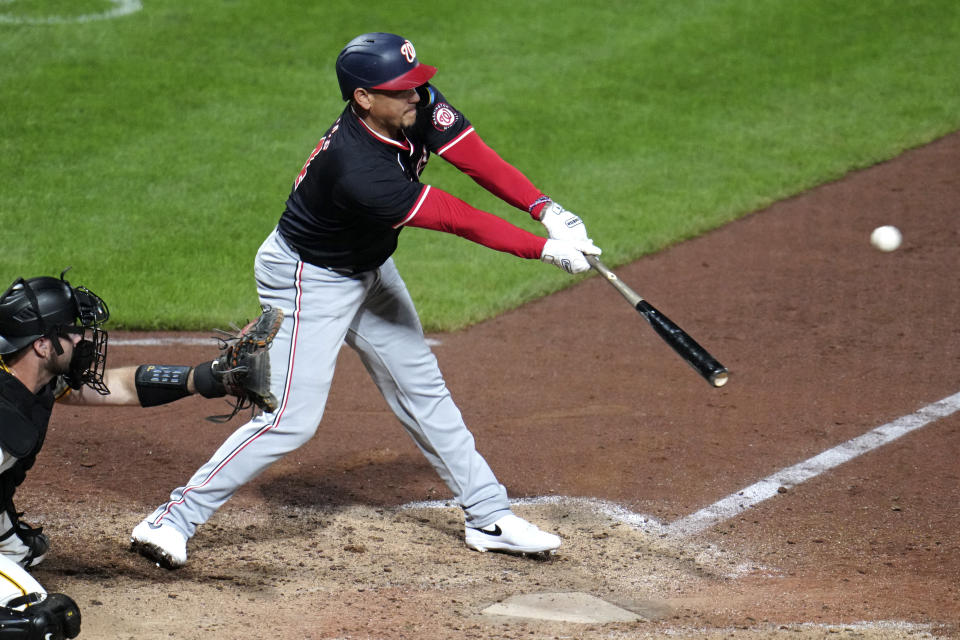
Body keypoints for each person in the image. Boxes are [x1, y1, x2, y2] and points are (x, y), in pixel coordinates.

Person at [130, 32, 602, 569]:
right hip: (309, 278)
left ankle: (488, 515)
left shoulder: (407, 105)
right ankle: (172, 519)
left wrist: (544, 207)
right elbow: (455, 216)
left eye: (418, 84)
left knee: (421, 386)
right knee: (290, 419)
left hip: (369, 267)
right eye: (401, 90)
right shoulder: (356, 166)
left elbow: (473, 156)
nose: (417, 97)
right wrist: (543, 250)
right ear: (363, 98)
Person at [0, 272, 275, 638]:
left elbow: (119, 386)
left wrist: (205, 377)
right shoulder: (5, 414)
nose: (83, 337)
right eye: (72, 330)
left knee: (20, 553)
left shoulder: (31, 375)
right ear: (41, 345)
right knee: (37, 618)